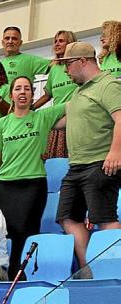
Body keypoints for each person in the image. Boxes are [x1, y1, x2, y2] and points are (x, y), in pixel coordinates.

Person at [0, 76, 66, 278]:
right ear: (11, 94)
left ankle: (22, 274)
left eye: (27, 89)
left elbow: (74, 104)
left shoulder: (42, 117)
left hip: (33, 184)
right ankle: (5, 273)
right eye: (18, 89)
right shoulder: (2, 123)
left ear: (32, 94)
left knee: (25, 232)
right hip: (5, 185)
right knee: (6, 231)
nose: (23, 92)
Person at [55, 41, 121, 279]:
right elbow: (66, 119)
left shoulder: (108, 84)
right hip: (76, 165)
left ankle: (115, 271)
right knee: (67, 217)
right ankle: (90, 270)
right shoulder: (79, 90)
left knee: (105, 219)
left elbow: (120, 117)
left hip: (100, 162)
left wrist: (116, 152)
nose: (66, 70)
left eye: (68, 64)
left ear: (82, 61)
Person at [33, 30, 78, 159]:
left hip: (75, 119)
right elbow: (47, 95)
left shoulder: (77, 67)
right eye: (55, 41)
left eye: (61, 41)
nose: (57, 44)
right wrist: (31, 108)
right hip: (57, 121)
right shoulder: (54, 69)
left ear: (70, 44)